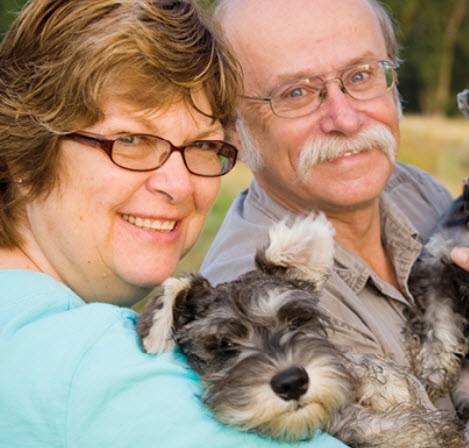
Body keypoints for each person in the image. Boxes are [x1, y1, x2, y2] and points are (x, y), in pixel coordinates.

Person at [200, 0, 469, 446]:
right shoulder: (254, 303)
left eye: (361, 75)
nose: (345, 119)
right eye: (295, 93)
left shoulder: (408, 187)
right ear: (231, 130)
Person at [0, 0, 347, 447]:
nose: (179, 186)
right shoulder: (100, 370)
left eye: (203, 146)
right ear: (24, 157)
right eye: (131, 140)